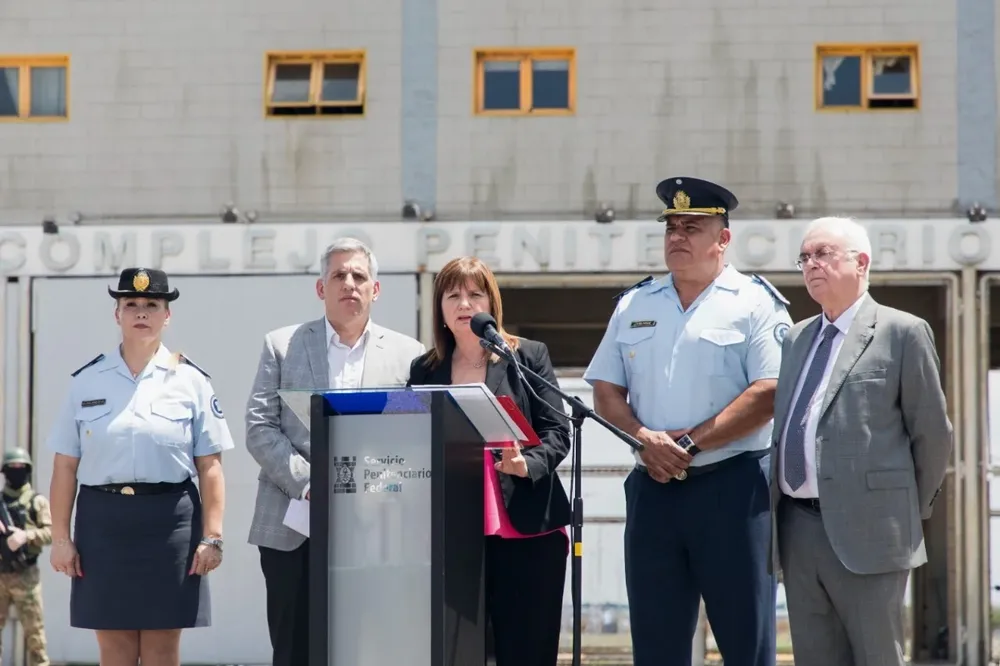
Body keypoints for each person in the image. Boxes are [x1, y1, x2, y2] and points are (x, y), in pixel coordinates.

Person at [583, 177, 792, 666]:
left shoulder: (755, 302)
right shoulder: (635, 304)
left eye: (692, 227)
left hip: (734, 490)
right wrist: (644, 439)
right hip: (654, 492)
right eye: (671, 227)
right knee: (656, 645)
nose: (677, 236)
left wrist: (687, 446)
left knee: (746, 642)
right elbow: (606, 391)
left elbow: (769, 392)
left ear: (723, 238)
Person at [771, 216, 953, 666]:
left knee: (876, 655)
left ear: (862, 262)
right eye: (804, 257)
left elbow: (932, 435)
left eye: (823, 254)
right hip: (797, 529)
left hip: (873, 530)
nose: (811, 264)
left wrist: (904, 509)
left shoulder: (902, 332)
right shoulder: (796, 338)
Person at [245, 238, 426, 666]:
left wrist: (371, 487)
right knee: (294, 649)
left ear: (375, 289)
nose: (349, 283)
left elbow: (414, 437)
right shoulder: (282, 345)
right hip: (293, 521)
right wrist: (311, 484)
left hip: (375, 527)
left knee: (366, 648)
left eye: (359, 275)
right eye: (338, 275)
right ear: (320, 288)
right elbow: (259, 426)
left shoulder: (409, 355)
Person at [45, 267, 233, 666]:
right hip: (103, 522)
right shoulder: (87, 381)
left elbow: (210, 466)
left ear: (168, 315)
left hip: (170, 521)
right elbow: (64, 467)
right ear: (117, 314)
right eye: (131, 304)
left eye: (152, 304)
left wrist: (213, 536)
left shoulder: (191, 381)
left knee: (163, 646)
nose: (141, 312)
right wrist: (60, 538)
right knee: (114, 646)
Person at [406, 255, 571, 666]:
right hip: (452, 527)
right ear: (440, 309)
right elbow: (412, 440)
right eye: (453, 295)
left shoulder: (527, 356)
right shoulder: (424, 369)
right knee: (457, 650)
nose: (465, 304)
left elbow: (558, 431)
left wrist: (527, 464)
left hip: (526, 525)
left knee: (527, 649)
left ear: (491, 304)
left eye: (475, 294)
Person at [0, 448, 52, 666]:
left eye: (20, 467)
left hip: (26, 576)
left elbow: (52, 533)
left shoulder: (37, 501)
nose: (16, 471)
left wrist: (26, 536)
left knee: (35, 637)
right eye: (12, 468)